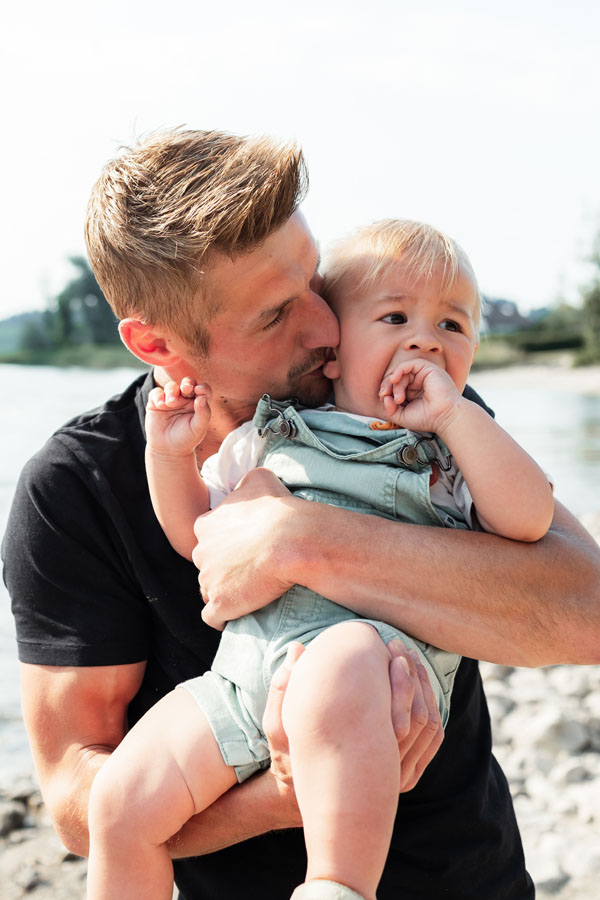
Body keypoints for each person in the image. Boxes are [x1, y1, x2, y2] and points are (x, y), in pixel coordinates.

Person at [2, 129, 599, 900]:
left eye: (315, 281)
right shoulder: (77, 487)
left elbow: (586, 610)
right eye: (274, 315)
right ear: (156, 343)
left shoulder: (407, 410)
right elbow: (82, 802)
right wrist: (296, 790)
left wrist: (303, 543)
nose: (325, 329)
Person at [85, 218, 554, 900]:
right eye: (395, 318)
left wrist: (457, 421)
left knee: (341, 662)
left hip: (368, 681)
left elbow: (529, 517)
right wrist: (169, 456)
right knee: (117, 803)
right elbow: (199, 540)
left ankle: (335, 885)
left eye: (453, 327)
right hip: (242, 680)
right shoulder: (269, 434)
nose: (425, 340)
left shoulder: (454, 452)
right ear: (334, 346)